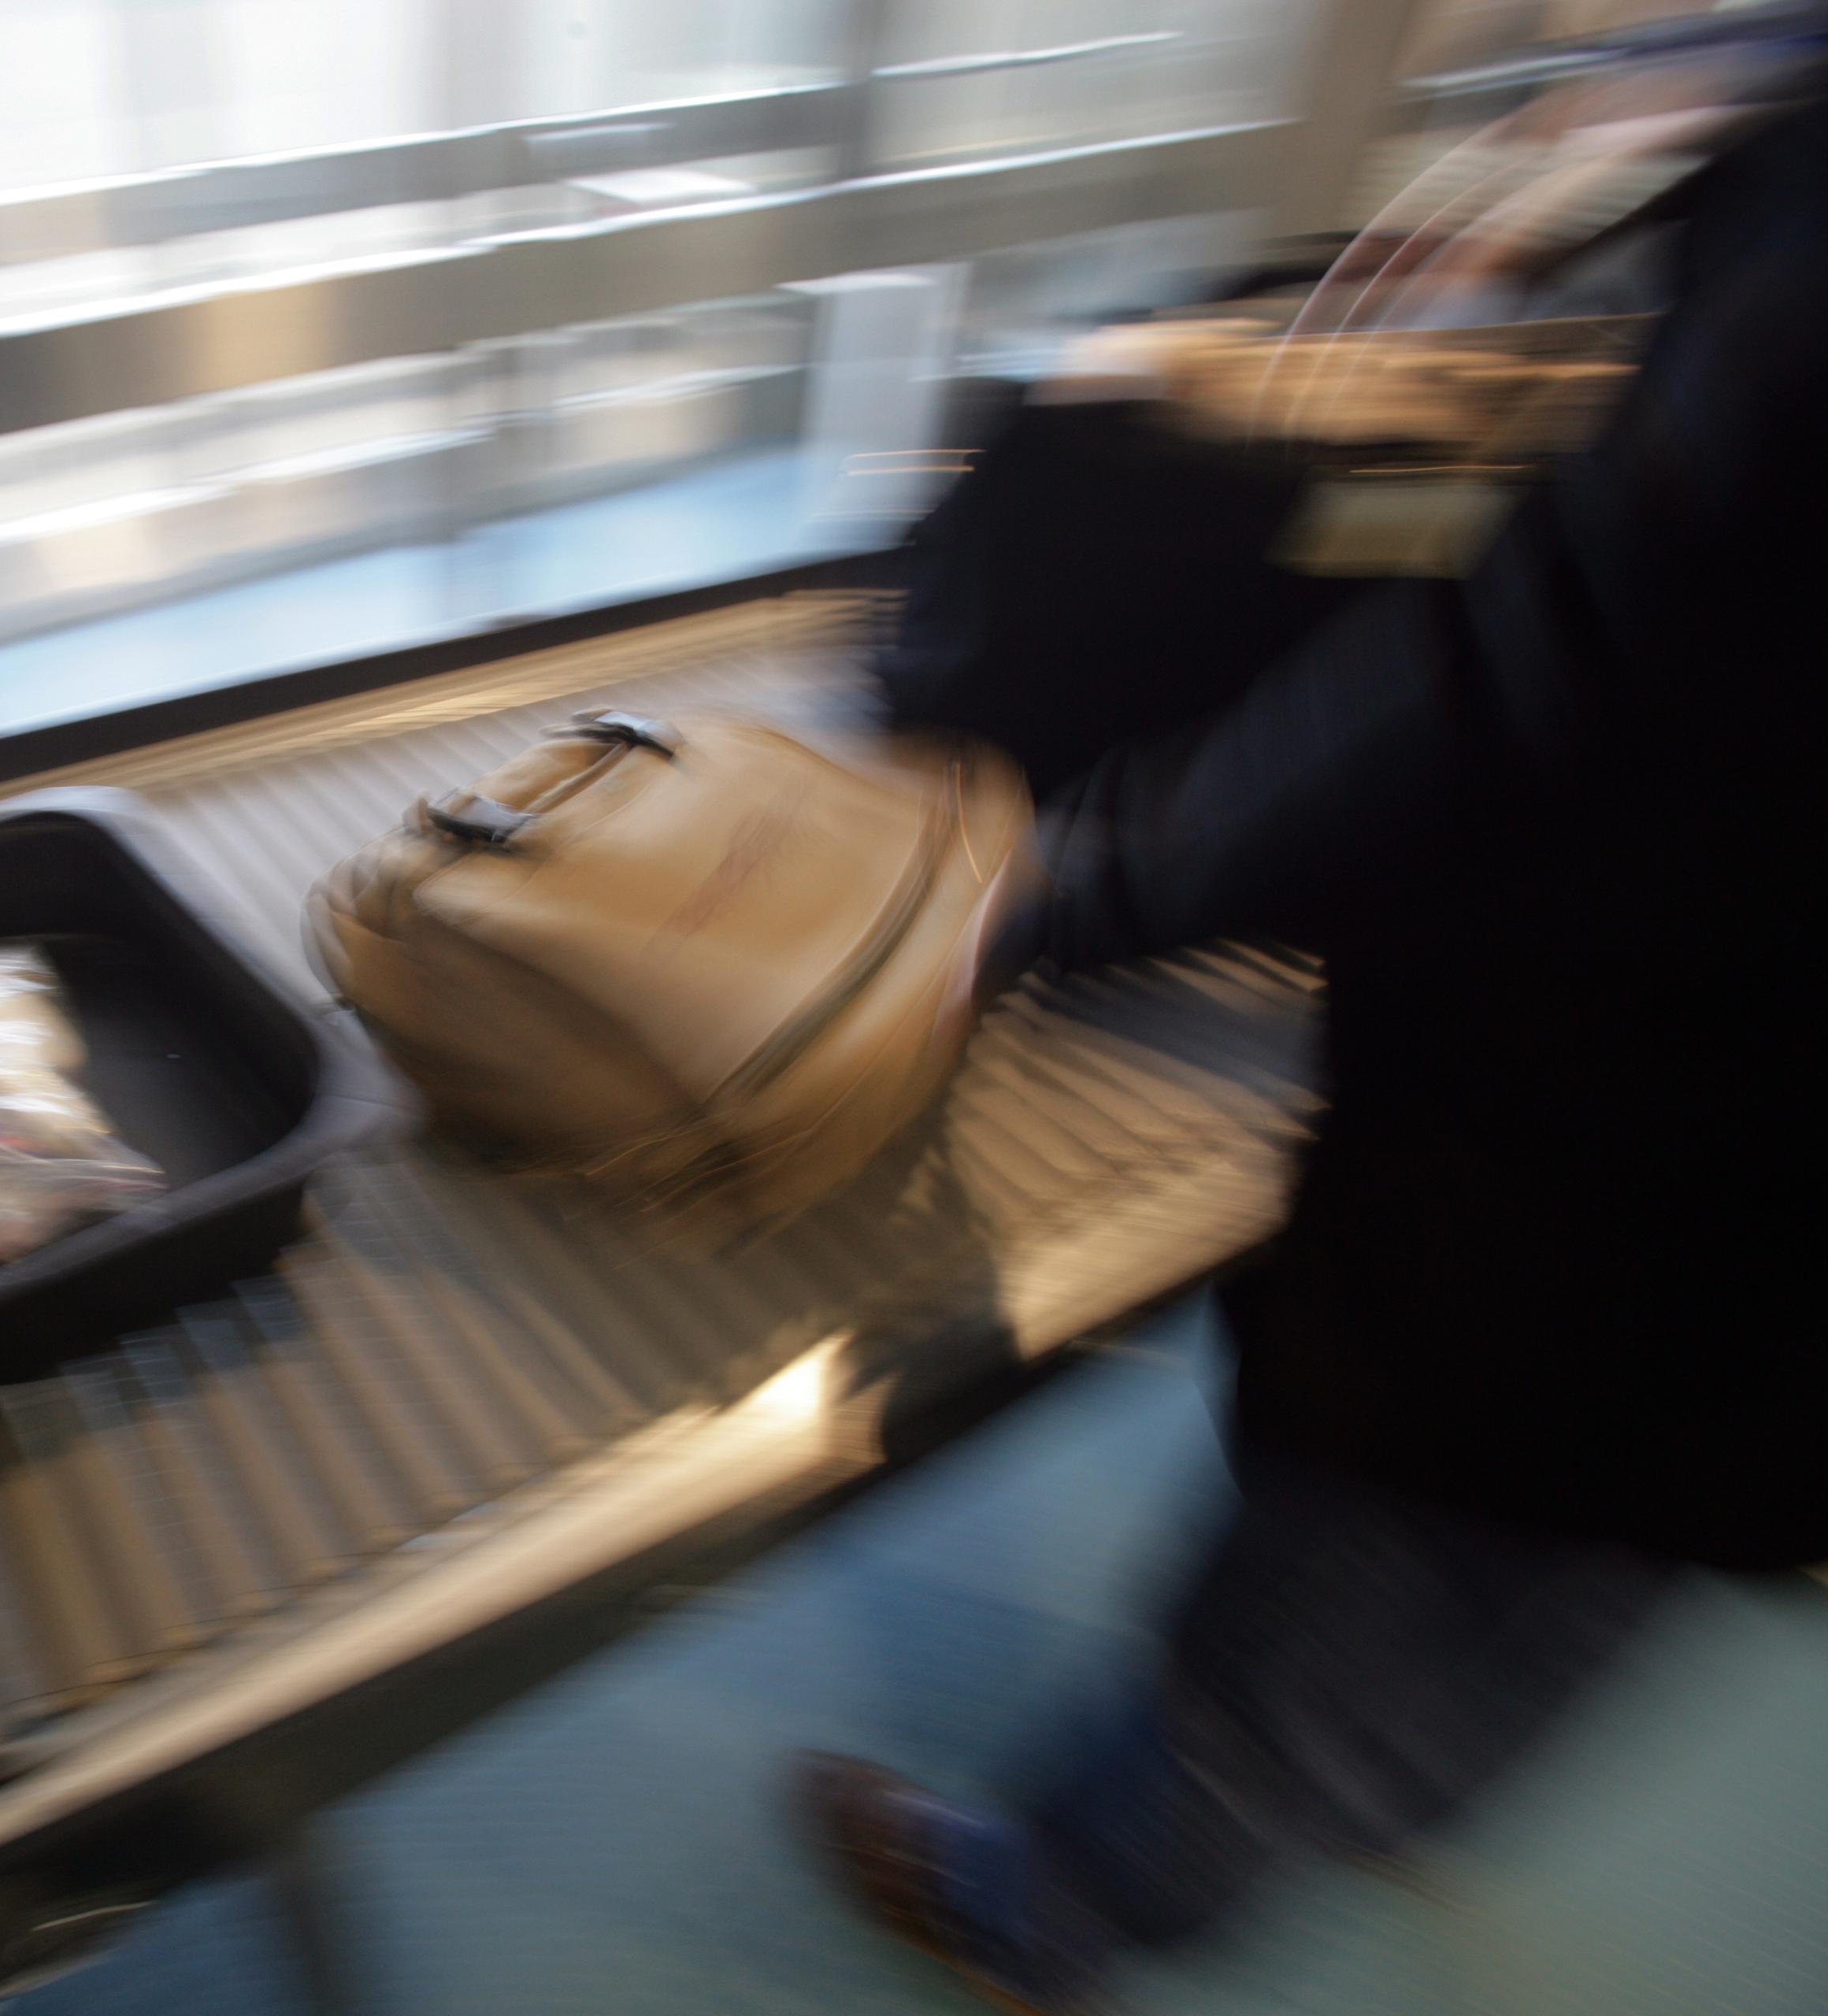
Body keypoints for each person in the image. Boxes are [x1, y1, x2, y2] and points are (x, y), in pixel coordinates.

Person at [793, 60, 1828, 2016]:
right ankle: (1393, 1793)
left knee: (1369, 1559)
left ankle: (1059, 1912)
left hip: (1657, 1154)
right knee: (1599, 1571)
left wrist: (1076, 894)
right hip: (1771, 1268)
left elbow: (1539, 673)